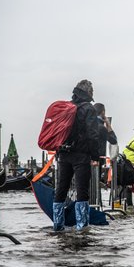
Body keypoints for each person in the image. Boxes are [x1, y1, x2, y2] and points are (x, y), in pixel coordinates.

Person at [53, 79, 99, 231]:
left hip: (64, 154)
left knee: (61, 189)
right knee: (82, 191)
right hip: (81, 155)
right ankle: (82, 227)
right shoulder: (89, 109)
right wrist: (95, 157)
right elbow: (93, 135)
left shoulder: (67, 107)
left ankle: (58, 225)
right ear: (89, 92)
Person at [93, 103, 117, 180]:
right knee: (96, 181)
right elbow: (113, 140)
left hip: (86, 158)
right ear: (103, 112)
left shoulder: (89, 124)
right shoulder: (101, 127)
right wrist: (108, 125)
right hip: (98, 159)